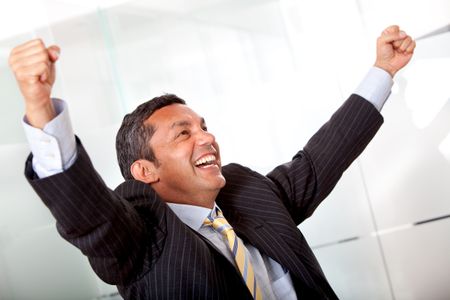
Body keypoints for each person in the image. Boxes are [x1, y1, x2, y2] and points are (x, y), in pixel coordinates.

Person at [9, 25, 415, 299]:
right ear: (146, 171)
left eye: (203, 126)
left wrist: (383, 71)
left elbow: (322, 157)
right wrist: (41, 107)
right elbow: (90, 215)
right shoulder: (139, 236)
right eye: (183, 133)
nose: (207, 137)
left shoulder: (248, 192)